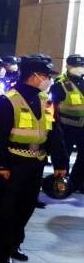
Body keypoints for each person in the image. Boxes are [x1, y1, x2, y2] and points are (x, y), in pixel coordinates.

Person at [0, 58, 70, 263]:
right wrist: (1, 165)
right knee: (6, 208)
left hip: (36, 162)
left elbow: (54, 133)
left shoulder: (44, 99)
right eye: (47, 76)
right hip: (13, 162)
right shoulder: (7, 101)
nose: (48, 80)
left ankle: (15, 244)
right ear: (34, 76)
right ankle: (2, 250)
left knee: (26, 206)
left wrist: (60, 162)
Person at [51, 54, 84, 192]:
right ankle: (60, 183)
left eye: (81, 66)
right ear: (68, 66)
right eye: (75, 66)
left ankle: (76, 183)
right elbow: (53, 107)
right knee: (63, 156)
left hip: (82, 128)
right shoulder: (60, 84)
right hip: (65, 127)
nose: (78, 69)